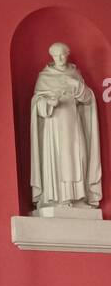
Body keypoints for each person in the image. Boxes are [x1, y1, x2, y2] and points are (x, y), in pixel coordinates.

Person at [30, 42, 102, 210]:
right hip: (53, 126)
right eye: (56, 55)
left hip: (74, 124)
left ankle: (78, 197)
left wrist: (77, 86)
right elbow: (37, 103)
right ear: (51, 57)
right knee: (56, 159)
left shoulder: (75, 73)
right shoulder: (45, 76)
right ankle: (57, 197)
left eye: (62, 54)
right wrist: (48, 102)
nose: (60, 58)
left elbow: (87, 99)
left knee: (78, 156)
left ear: (67, 54)